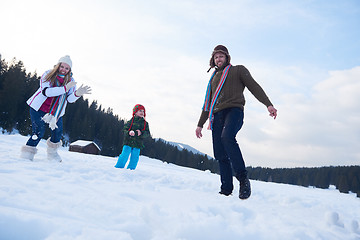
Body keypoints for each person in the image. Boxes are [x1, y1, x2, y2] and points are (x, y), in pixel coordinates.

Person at [195, 45, 277, 199]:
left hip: (234, 111)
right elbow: (208, 103)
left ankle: (243, 179)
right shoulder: (213, 78)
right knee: (219, 152)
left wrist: (268, 104)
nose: (218, 59)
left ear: (227, 57)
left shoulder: (238, 70)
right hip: (217, 115)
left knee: (227, 137)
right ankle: (226, 189)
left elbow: (254, 87)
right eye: (216, 57)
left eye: (221, 56)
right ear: (213, 60)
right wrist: (200, 124)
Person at [20, 55, 92, 162]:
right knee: (39, 131)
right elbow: (47, 92)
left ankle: (52, 154)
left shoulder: (71, 81)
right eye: (62, 66)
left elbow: (70, 99)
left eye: (67, 68)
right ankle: (27, 153)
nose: (63, 70)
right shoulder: (48, 74)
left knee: (57, 133)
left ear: (69, 70)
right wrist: (64, 88)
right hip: (38, 108)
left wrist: (77, 93)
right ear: (58, 65)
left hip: (55, 112)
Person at [115, 104, 150, 170]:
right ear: (135, 112)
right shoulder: (130, 122)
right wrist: (129, 132)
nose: (142, 112)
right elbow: (124, 130)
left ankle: (131, 170)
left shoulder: (145, 124)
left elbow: (147, 133)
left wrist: (141, 133)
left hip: (137, 143)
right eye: (140, 111)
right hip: (128, 141)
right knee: (124, 155)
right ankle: (118, 168)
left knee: (135, 157)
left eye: (143, 111)